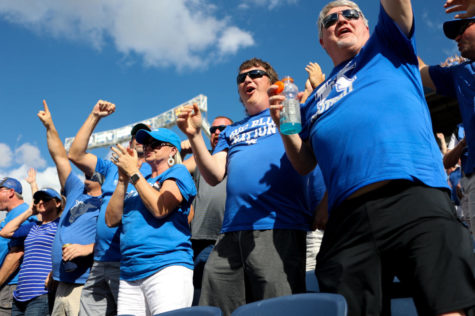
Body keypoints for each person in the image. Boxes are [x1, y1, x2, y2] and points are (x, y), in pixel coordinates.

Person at [268, 0, 475, 315]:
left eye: (350, 14)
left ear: (366, 25)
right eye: (330, 19)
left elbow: (398, 7)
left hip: (414, 196)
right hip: (346, 220)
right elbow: (304, 163)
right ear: (322, 41)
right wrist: (284, 126)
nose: (341, 19)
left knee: (447, 306)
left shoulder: (388, 46)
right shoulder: (312, 100)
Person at [177, 58, 313, 316]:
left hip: (277, 225)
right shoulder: (231, 131)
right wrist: (194, 137)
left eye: (255, 74)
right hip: (230, 233)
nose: (247, 80)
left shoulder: (294, 109)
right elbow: (215, 174)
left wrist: (283, 119)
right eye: (241, 78)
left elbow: (308, 160)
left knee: (278, 309)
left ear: (271, 81)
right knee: (216, 307)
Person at [68, 100, 152, 316]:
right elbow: (75, 155)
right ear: (130, 143)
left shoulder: (155, 171)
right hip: (99, 261)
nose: (139, 140)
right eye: (136, 137)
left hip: (128, 261)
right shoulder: (109, 170)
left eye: (146, 137)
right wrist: (95, 116)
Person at [105, 128, 196, 316]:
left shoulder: (178, 171)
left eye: (155, 144)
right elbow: (111, 220)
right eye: (146, 144)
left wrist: (133, 173)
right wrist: (123, 179)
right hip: (130, 272)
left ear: (172, 150)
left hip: (166, 267)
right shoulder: (139, 180)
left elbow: (159, 208)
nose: (148, 148)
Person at [37, 100, 101, 316]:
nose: (86, 171)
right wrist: (50, 126)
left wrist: (88, 248)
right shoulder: (76, 189)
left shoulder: (109, 200)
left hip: (85, 283)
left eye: (92, 169)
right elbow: (60, 157)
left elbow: (116, 235)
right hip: (61, 281)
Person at [419, 0, 475, 239]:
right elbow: (420, 72)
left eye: (464, 28)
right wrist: (398, 35)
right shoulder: (461, 73)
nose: (457, 37)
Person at [181, 116, 233, 293]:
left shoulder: (239, 156)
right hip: (199, 239)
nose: (217, 132)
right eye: (213, 130)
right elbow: (175, 170)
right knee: (200, 292)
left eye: (223, 129)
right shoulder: (200, 158)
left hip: (230, 236)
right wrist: (180, 153)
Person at [0, 185, 62, 316]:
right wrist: (29, 212)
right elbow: (5, 232)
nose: (40, 201)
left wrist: (54, 272)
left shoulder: (61, 225)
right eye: (37, 199)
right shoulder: (33, 226)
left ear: (57, 203)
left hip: (41, 294)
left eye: (45, 198)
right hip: (19, 296)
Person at [0, 178, 33, 316]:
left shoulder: (23, 213)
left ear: (11, 192)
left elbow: (17, 253)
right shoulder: (11, 215)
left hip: (9, 285)